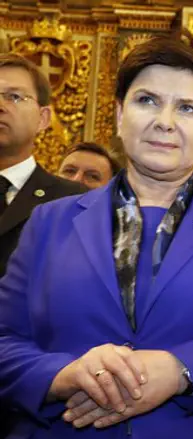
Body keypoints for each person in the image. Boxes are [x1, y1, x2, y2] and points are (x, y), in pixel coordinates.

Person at [0, 32, 193, 438]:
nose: (165, 121)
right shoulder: (49, 222)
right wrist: (63, 374)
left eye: (188, 108)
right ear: (119, 114)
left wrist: (181, 370)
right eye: (147, 100)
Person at [0, 52, 86, 439]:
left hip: (33, 402)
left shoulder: (73, 202)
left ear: (45, 117)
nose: (0, 105)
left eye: (15, 96)